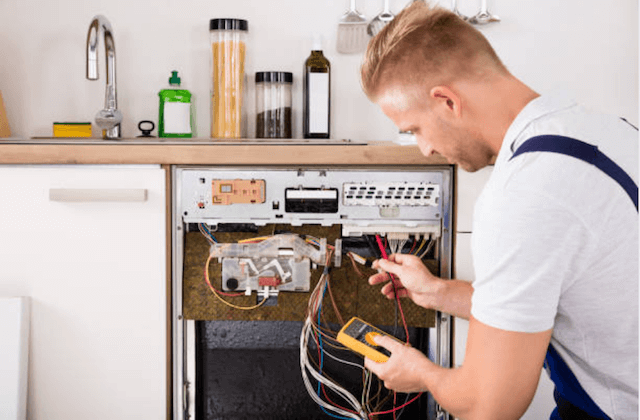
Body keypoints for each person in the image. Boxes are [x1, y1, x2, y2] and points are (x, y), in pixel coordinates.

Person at [360, 2, 638, 419]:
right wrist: (437, 292)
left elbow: (489, 407)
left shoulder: (526, 193)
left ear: (447, 102)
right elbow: (540, 297)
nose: (426, 149)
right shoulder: (608, 131)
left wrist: (421, 374)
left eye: (414, 129)